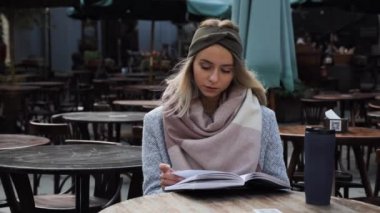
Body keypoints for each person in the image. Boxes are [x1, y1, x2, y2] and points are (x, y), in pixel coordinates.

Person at [142, 18, 289, 195]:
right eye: (205, 67)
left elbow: (281, 188)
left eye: (225, 70)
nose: (214, 78)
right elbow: (151, 193)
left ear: (236, 72)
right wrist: (168, 188)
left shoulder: (264, 119)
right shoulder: (156, 122)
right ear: (191, 66)